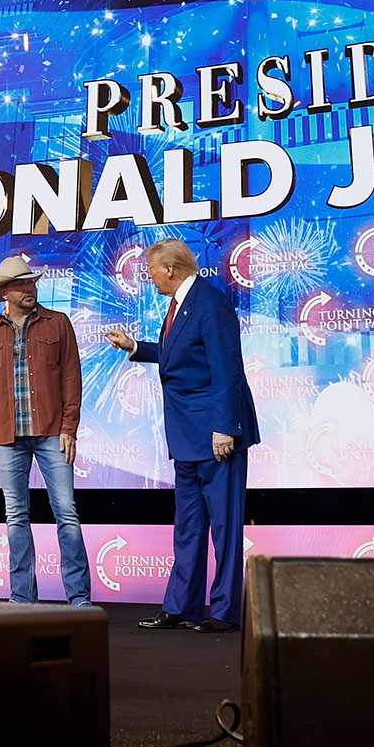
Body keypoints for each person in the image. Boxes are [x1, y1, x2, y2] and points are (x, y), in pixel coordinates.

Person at [108, 239, 260, 632]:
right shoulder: (179, 305)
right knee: (188, 524)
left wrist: (225, 428)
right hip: (186, 433)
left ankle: (225, 611)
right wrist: (136, 347)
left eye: (152, 270)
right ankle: (181, 607)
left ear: (171, 270)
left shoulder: (211, 304)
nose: (149, 276)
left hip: (214, 432)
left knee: (225, 525)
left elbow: (226, 368)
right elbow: (178, 354)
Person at [0, 251, 93, 608]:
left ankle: (79, 598)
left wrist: (70, 427)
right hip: (8, 437)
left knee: (66, 512)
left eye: (31, 282)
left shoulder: (58, 323)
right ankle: (23, 599)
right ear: (4, 292)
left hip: (53, 433)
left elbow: (71, 379)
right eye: (20, 285)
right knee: (16, 516)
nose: (28, 289)